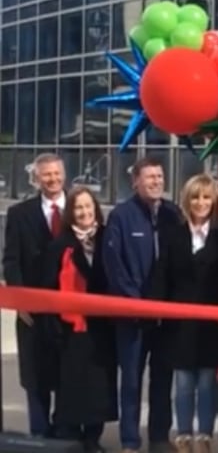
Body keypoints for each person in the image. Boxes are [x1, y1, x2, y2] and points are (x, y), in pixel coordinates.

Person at [103, 157, 181, 453]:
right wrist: (136, 303)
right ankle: (130, 441)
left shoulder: (173, 214)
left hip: (165, 317)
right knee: (132, 381)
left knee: (163, 379)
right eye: (150, 177)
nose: (156, 182)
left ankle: (159, 437)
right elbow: (115, 266)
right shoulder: (121, 216)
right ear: (135, 181)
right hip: (133, 316)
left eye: (159, 176)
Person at [42, 186, 117, 453]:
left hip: (101, 327)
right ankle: (72, 438)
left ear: (95, 208)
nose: (85, 212)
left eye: (88, 206)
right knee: (72, 387)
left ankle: (93, 438)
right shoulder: (60, 245)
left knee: (99, 386)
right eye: (78, 207)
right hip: (70, 329)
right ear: (71, 213)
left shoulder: (108, 238)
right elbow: (48, 286)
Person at [161, 174, 218, 453]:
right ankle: (184, 435)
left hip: (211, 322)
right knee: (184, 383)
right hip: (179, 323)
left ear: (214, 201)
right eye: (195, 197)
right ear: (186, 200)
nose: (201, 203)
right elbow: (163, 274)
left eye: (206, 197)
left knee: (207, 383)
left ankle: (204, 436)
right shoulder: (173, 233)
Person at [2, 152, 66, 437]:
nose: (52, 179)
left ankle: (65, 433)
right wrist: (20, 302)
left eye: (56, 173)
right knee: (35, 376)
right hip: (33, 309)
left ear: (64, 175)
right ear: (36, 179)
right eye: (46, 174)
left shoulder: (80, 208)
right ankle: (39, 436)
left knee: (67, 374)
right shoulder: (20, 214)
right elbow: (11, 261)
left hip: (69, 308)